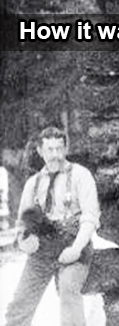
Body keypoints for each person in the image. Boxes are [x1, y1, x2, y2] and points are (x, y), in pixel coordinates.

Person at [5, 127, 101, 326]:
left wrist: (75, 249)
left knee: (68, 290)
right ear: (40, 151)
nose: (55, 155)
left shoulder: (81, 176)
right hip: (42, 251)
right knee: (19, 303)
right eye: (50, 150)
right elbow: (23, 222)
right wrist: (24, 241)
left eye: (59, 148)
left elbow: (90, 218)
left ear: (66, 148)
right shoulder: (33, 183)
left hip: (74, 246)